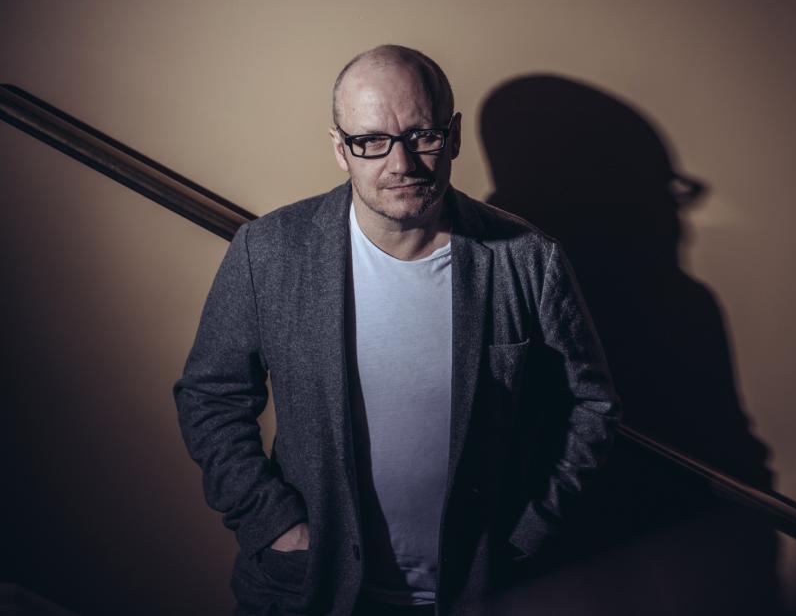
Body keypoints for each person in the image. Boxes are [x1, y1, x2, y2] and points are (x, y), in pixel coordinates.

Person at [172, 44, 621, 616]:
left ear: (452, 136)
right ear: (341, 149)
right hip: (310, 589)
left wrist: (529, 530)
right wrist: (273, 522)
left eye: (422, 136)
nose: (401, 163)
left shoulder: (528, 261)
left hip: (481, 590)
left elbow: (590, 407)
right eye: (371, 142)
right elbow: (210, 397)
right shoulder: (269, 252)